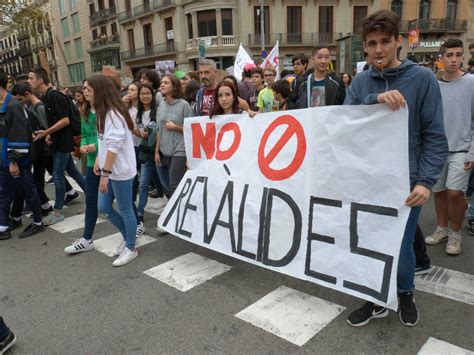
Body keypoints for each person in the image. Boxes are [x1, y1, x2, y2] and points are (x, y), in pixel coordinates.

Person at [344, 9, 448, 327]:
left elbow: (434, 135)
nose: (379, 50)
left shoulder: (422, 79)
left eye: (385, 42)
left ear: (398, 42)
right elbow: (343, 122)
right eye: (372, 43)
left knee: (400, 244)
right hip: (367, 179)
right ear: (364, 46)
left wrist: (426, 181)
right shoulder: (361, 81)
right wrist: (374, 99)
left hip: (407, 182)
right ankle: (374, 298)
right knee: (368, 242)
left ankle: (404, 292)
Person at [424, 39, 474, 255]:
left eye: (458, 55)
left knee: (455, 193)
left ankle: (455, 234)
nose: (454, 59)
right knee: (439, 191)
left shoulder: (471, 82)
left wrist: (473, 150)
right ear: (441, 59)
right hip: (437, 149)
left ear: (462, 56)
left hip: (462, 147)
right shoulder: (435, 85)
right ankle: (442, 228)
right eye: (449, 55)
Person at [88, 74, 138, 266]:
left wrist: (105, 175)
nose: (85, 93)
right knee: (104, 207)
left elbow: (114, 145)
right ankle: (128, 237)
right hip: (110, 168)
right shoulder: (103, 112)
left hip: (120, 171)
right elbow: (105, 142)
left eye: (89, 90)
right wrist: (100, 159)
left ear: (99, 92)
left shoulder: (113, 114)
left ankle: (131, 246)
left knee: (125, 209)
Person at [29, 68, 85, 225]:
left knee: (58, 175)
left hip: (63, 142)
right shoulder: (46, 96)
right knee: (73, 172)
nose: (29, 81)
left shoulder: (53, 95)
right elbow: (57, 121)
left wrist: (47, 131)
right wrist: (48, 134)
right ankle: (95, 199)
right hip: (59, 140)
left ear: (40, 80)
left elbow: (65, 120)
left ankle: (58, 212)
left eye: (31, 78)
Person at [0, 70, 45, 239]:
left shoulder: (12, 105)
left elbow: (18, 135)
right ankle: (3, 226)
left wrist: (13, 161)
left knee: (28, 190)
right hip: (5, 158)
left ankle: (38, 222)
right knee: (5, 193)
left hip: (17, 159)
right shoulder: (6, 104)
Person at [64, 80, 100, 254]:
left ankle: (133, 229)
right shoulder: (85, 111)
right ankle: (86, 238)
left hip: (111, 164)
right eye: (84, 88)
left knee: (120, 202)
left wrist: (96, 146)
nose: (85, 91)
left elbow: (112, 138)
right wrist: (85, 145)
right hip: (93, 162)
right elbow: (84, 135)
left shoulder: (107, 111)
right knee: (91, 201)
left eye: (88, 88)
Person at [155, 74, 192, 196]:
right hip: (166, 149)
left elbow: (191, 130)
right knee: (175, 182)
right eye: (161, 82)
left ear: (175, 86)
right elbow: (159, 129)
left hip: (180, 149)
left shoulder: (184, 105)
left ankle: (176, 212)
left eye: (166, 82)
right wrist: (157, 150)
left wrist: (175, 127)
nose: (162, 84)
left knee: (174, 183)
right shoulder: (161, 104)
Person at [135, 83, 166, 229]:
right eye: (142, 94)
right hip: (146, 153)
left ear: (153, 95)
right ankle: (139, 213)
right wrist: (140, 133)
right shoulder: (137, 113)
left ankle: (172, 212)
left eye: (148, 93)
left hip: (159, 152)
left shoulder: (159, 110)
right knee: (144, 184)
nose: (145, 96)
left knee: (166, 184)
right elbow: (139, 133)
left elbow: (161, 129)